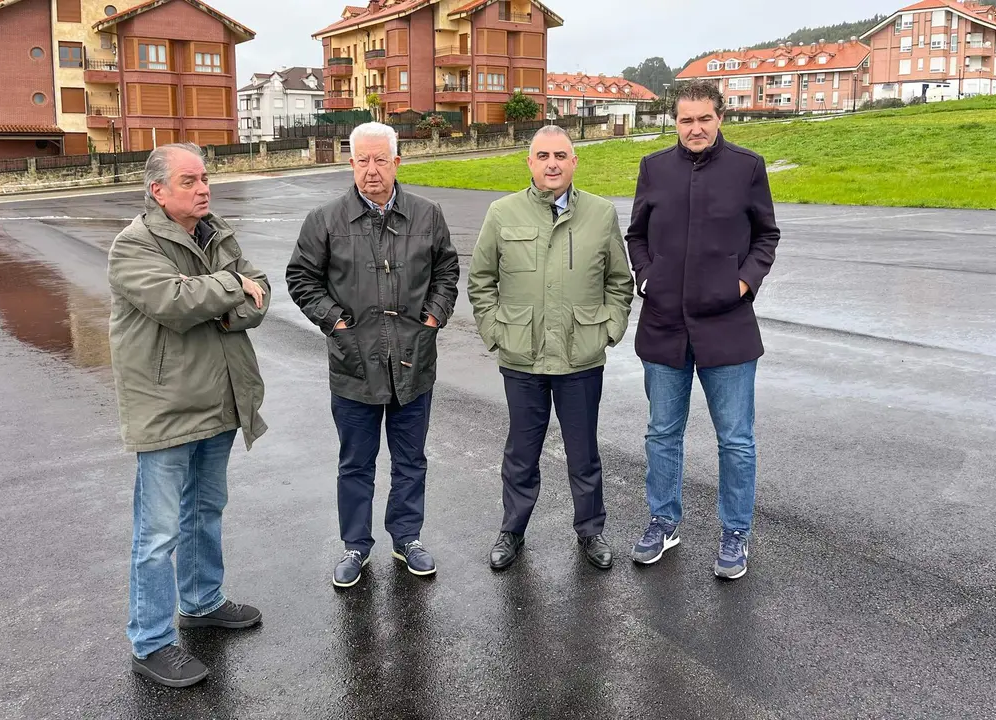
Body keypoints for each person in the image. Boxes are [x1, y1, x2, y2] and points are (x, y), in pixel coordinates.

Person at [108, 143, 269, 687]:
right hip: (167, 409)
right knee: (157, 533)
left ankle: (201, 602)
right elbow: (174, 304)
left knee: (206, 511)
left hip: (220, 401)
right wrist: (230, 288)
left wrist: (226, 304)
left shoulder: (216, 232)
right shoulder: (134, 245)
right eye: (188, 181)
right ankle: (150, 641)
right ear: (157, 190)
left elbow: (260, 293)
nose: (203, 189)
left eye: (204, 178)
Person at [286, 122, 459, 589]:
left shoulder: (427, 215)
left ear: (397, 162)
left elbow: (447, 270)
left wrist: (432, 319)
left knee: (410, 459)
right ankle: (355, 546)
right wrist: (336, 322)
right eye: (362, 160)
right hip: (353, 362)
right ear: (350, 164)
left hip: (412, 361)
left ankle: (407, 537)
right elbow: (301, 278)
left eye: (380, 159)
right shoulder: (325, 220)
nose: (371, 170)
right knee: (355, 462)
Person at [625, 80, 780, 579]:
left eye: (704, 119)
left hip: (728, 326)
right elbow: (636, 234)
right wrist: (647, 275)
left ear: (720, 118)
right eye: (686, 120)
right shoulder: (653, 168)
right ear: (675, 122)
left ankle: (736, 533)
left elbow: (766, 234)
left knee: (736, 439)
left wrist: (743, 283)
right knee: (662, 433)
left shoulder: (747, 167)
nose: (695, 128)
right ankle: (663, 522)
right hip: (664, 323)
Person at [467, 125, 634, 571]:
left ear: (575, 162)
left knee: (584, 452)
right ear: (530, 163)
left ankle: (591, 531)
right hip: (522, 356)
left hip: (581, 357)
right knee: (521, 452)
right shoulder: (502, 213)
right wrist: (497, 332)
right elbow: (481, 280)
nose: (552, 164)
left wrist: (608, 330)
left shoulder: (600, 214)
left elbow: (621, 281)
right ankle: (512, 530)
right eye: (543, 156)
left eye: (561, 155)